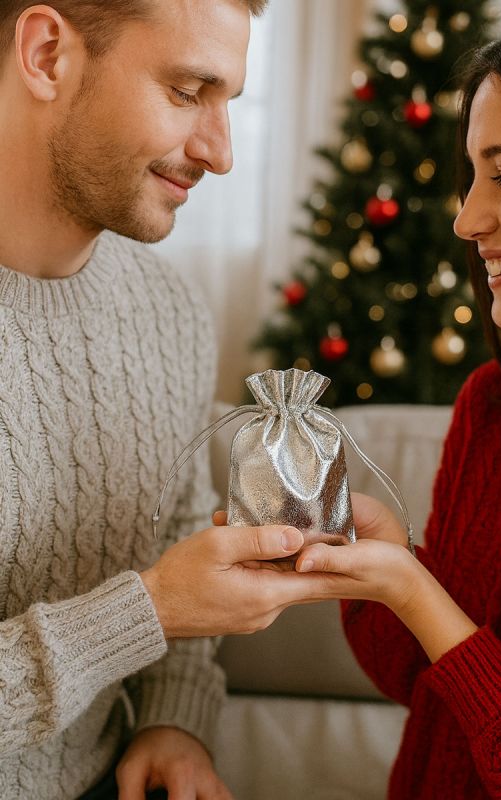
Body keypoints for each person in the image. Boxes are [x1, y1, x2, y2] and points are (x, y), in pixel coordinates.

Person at [0, 1, 329, 798]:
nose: (219, 155)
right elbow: (160, 596)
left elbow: (177, 531)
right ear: (47, 55)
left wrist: (172, 717)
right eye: (188, 91)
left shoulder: (169, 310)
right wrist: (145, 611)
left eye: (229, 105)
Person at [289, 0, 501, 797]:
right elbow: (424, 688)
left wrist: (413, 590)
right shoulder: (494, 408)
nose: (467, 218)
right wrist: (386, 560)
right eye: (471, 178)